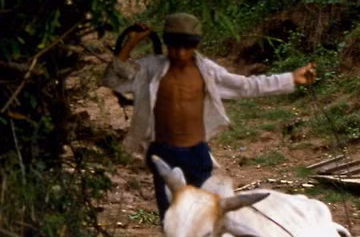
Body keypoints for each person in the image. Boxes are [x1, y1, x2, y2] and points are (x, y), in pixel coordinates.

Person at [103, 12, 317, 218]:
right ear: (167, 44)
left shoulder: (207, 71)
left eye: (186, 47)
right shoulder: (150, 69)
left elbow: (246, 86)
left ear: (195, 45)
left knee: (205, 215)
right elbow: (113, 77)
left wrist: (290, 79)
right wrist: (131, 42)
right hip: (163, 152)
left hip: (197, 152)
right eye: (174, 47)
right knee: (171, 217)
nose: (179, 53)